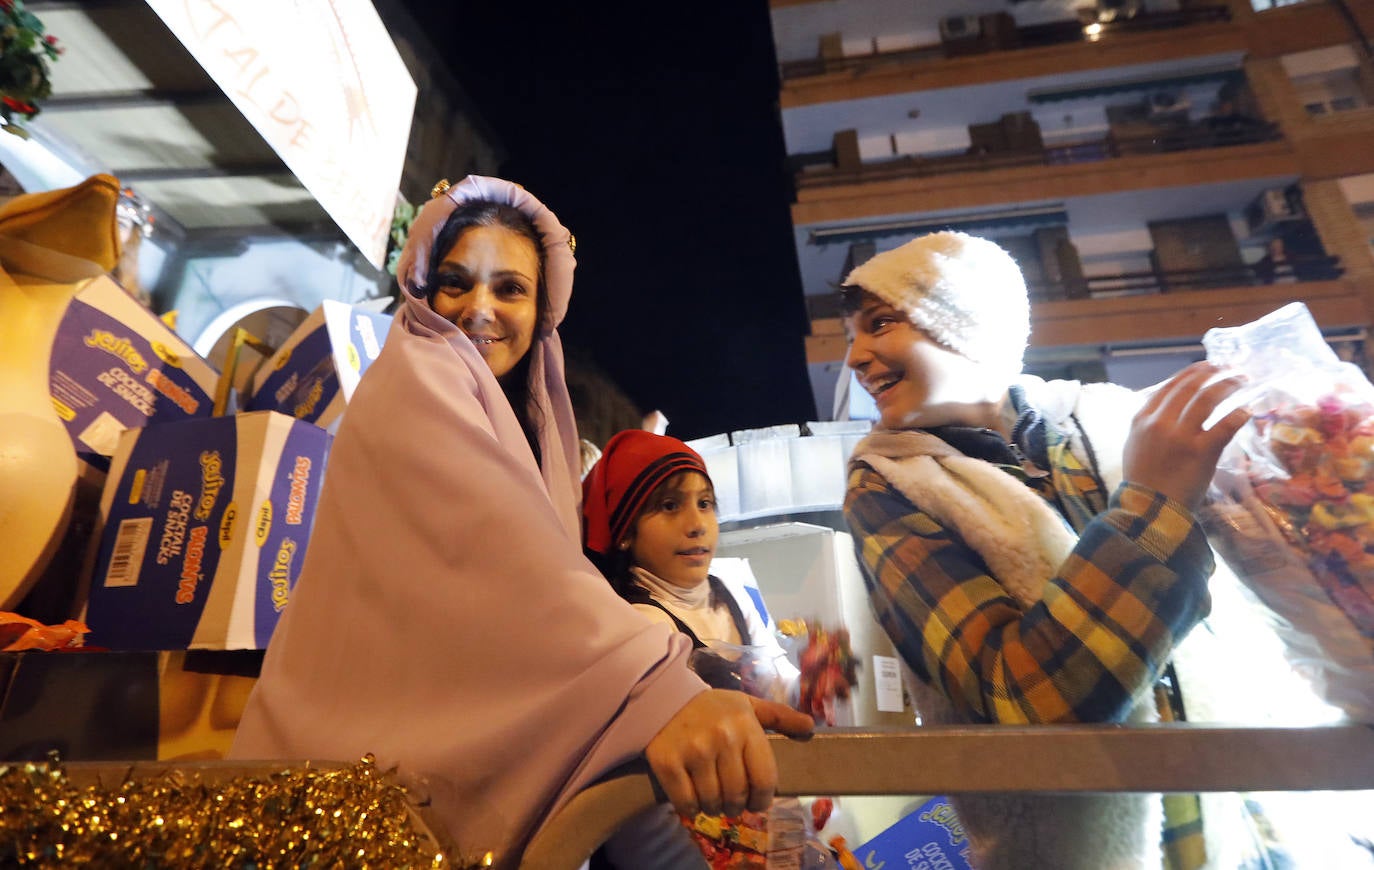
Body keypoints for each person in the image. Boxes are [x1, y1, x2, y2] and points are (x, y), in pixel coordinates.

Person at [230, 176, 813, 869]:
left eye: (510, 289)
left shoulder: (528, 429)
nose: (479, 308)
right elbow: (511, 570)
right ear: (423, 293)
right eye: (455, 282)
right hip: (341, 788)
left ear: (542, 313)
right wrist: (656, 688)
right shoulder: (416, 377)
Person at [838, 230, 1250, 870]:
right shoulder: (886, 486)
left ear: (962, 320)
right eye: (854, 334)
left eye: (880, 322)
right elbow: (1030, 701)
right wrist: (1152, 508)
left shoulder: (1096, 428)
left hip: (1225, 833)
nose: (856, 358)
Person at [582, 429, 822, 870]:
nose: (696, 523)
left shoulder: (731, 592)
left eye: (705, 503)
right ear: (624, 532)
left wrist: (811, 683)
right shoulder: (635, 625)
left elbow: (775, 686)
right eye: (669, 506)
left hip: (756, 837)